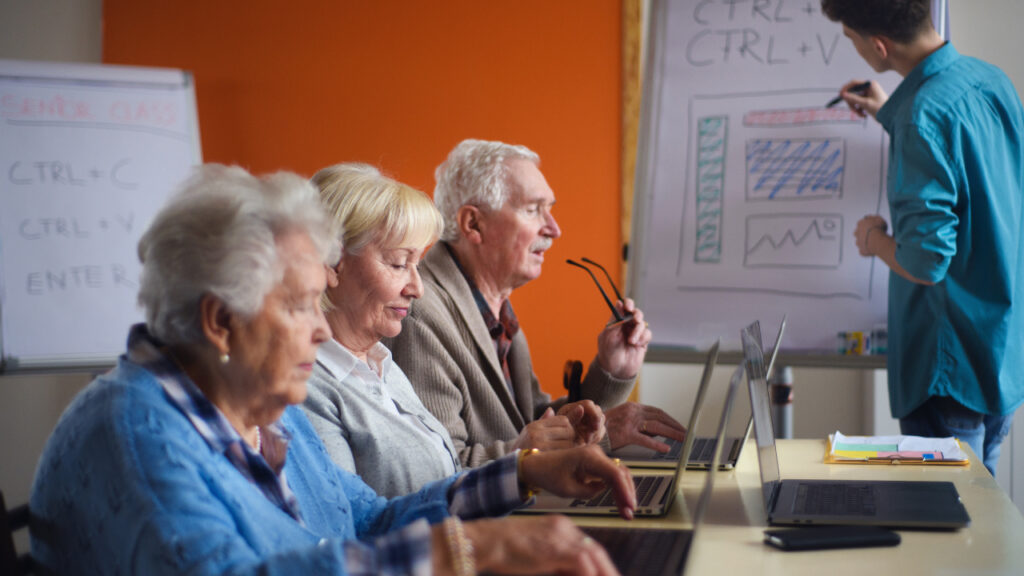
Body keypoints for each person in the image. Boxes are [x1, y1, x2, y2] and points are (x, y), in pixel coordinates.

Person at [29, 164, 636, 575]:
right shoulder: (136, 435)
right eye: (297, 306)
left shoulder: (257, 411)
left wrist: (524, 474)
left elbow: (367, 520)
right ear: (220, 322)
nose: (319, 328)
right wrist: (464, 550)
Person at [303, 163, 605, 497]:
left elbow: (446, 475)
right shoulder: (307, 390)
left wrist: (529, 462)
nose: (417, 288)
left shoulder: (380, 364)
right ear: (332, 264)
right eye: (399, 263)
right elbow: (354, 527)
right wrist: (520, 465)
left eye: (417, 264)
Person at [384, 139, 686, 468]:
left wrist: (611, 371)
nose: (554, 229)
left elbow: (534, 425)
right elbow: (442, 470)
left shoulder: (496, 309)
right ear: (473, 224)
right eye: (532, 209)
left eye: (550, 209)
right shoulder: (420, 316)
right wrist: (600, 435)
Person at [822, 0, 1024, 475]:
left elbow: (927, 260)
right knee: (985, 526)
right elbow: (966, 167)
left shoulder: (918, 117)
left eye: (851, 39)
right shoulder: (989, 79)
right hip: (998, 357)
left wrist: (873, 239)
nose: (853, 48)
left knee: (951, 533)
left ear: (878, 46)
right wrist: (889, 111)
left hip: (947, 374)